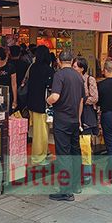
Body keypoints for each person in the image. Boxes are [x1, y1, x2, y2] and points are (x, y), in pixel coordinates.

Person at [47, 51, 85, 201]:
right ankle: (76, 185)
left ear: (58, 60)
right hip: (74, 120)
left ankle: (66, 191)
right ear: (72, 60)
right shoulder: (78, 76)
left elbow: (55, 96)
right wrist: (79, 118)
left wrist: (48, 100)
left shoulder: (59, 75)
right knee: (75, 152)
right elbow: (81, 100)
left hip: (62, 120)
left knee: (63, 155)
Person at [27, 45, 55, 166]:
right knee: (41, 133)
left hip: (32, 103)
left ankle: (46, 152)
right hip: (42, 105)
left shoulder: (33, 67)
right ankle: (38, 158)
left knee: (38, 131)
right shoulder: (48, 70)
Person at [72, 57, 99, 184]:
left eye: (75, 67)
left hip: (86, 115)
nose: (73, 69)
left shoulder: (89, 79)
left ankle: (87, 174)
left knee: (85, 145)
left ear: (82, 68)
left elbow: (95, 98)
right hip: (73, 114)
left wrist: (81, 100)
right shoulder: (71, 79)